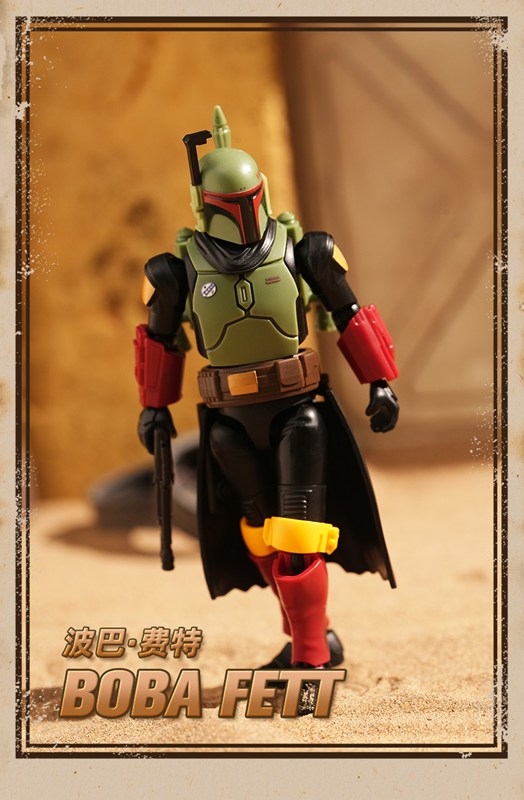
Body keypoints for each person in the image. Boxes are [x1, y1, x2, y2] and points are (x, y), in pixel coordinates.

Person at [134, 106, 399, 714]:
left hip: (296, 412)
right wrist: (154, 408)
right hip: (227, 424)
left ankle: (312, 660)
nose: (241, 213)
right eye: (228, 204)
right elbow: (159, 340)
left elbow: (350, 312)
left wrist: (379, 382)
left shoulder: (306, 251)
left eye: (247, 199)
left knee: (299, 534)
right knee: (259, 533)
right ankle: (310, 634)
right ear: (202, 203)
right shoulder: (174, 271)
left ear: (262, 193)